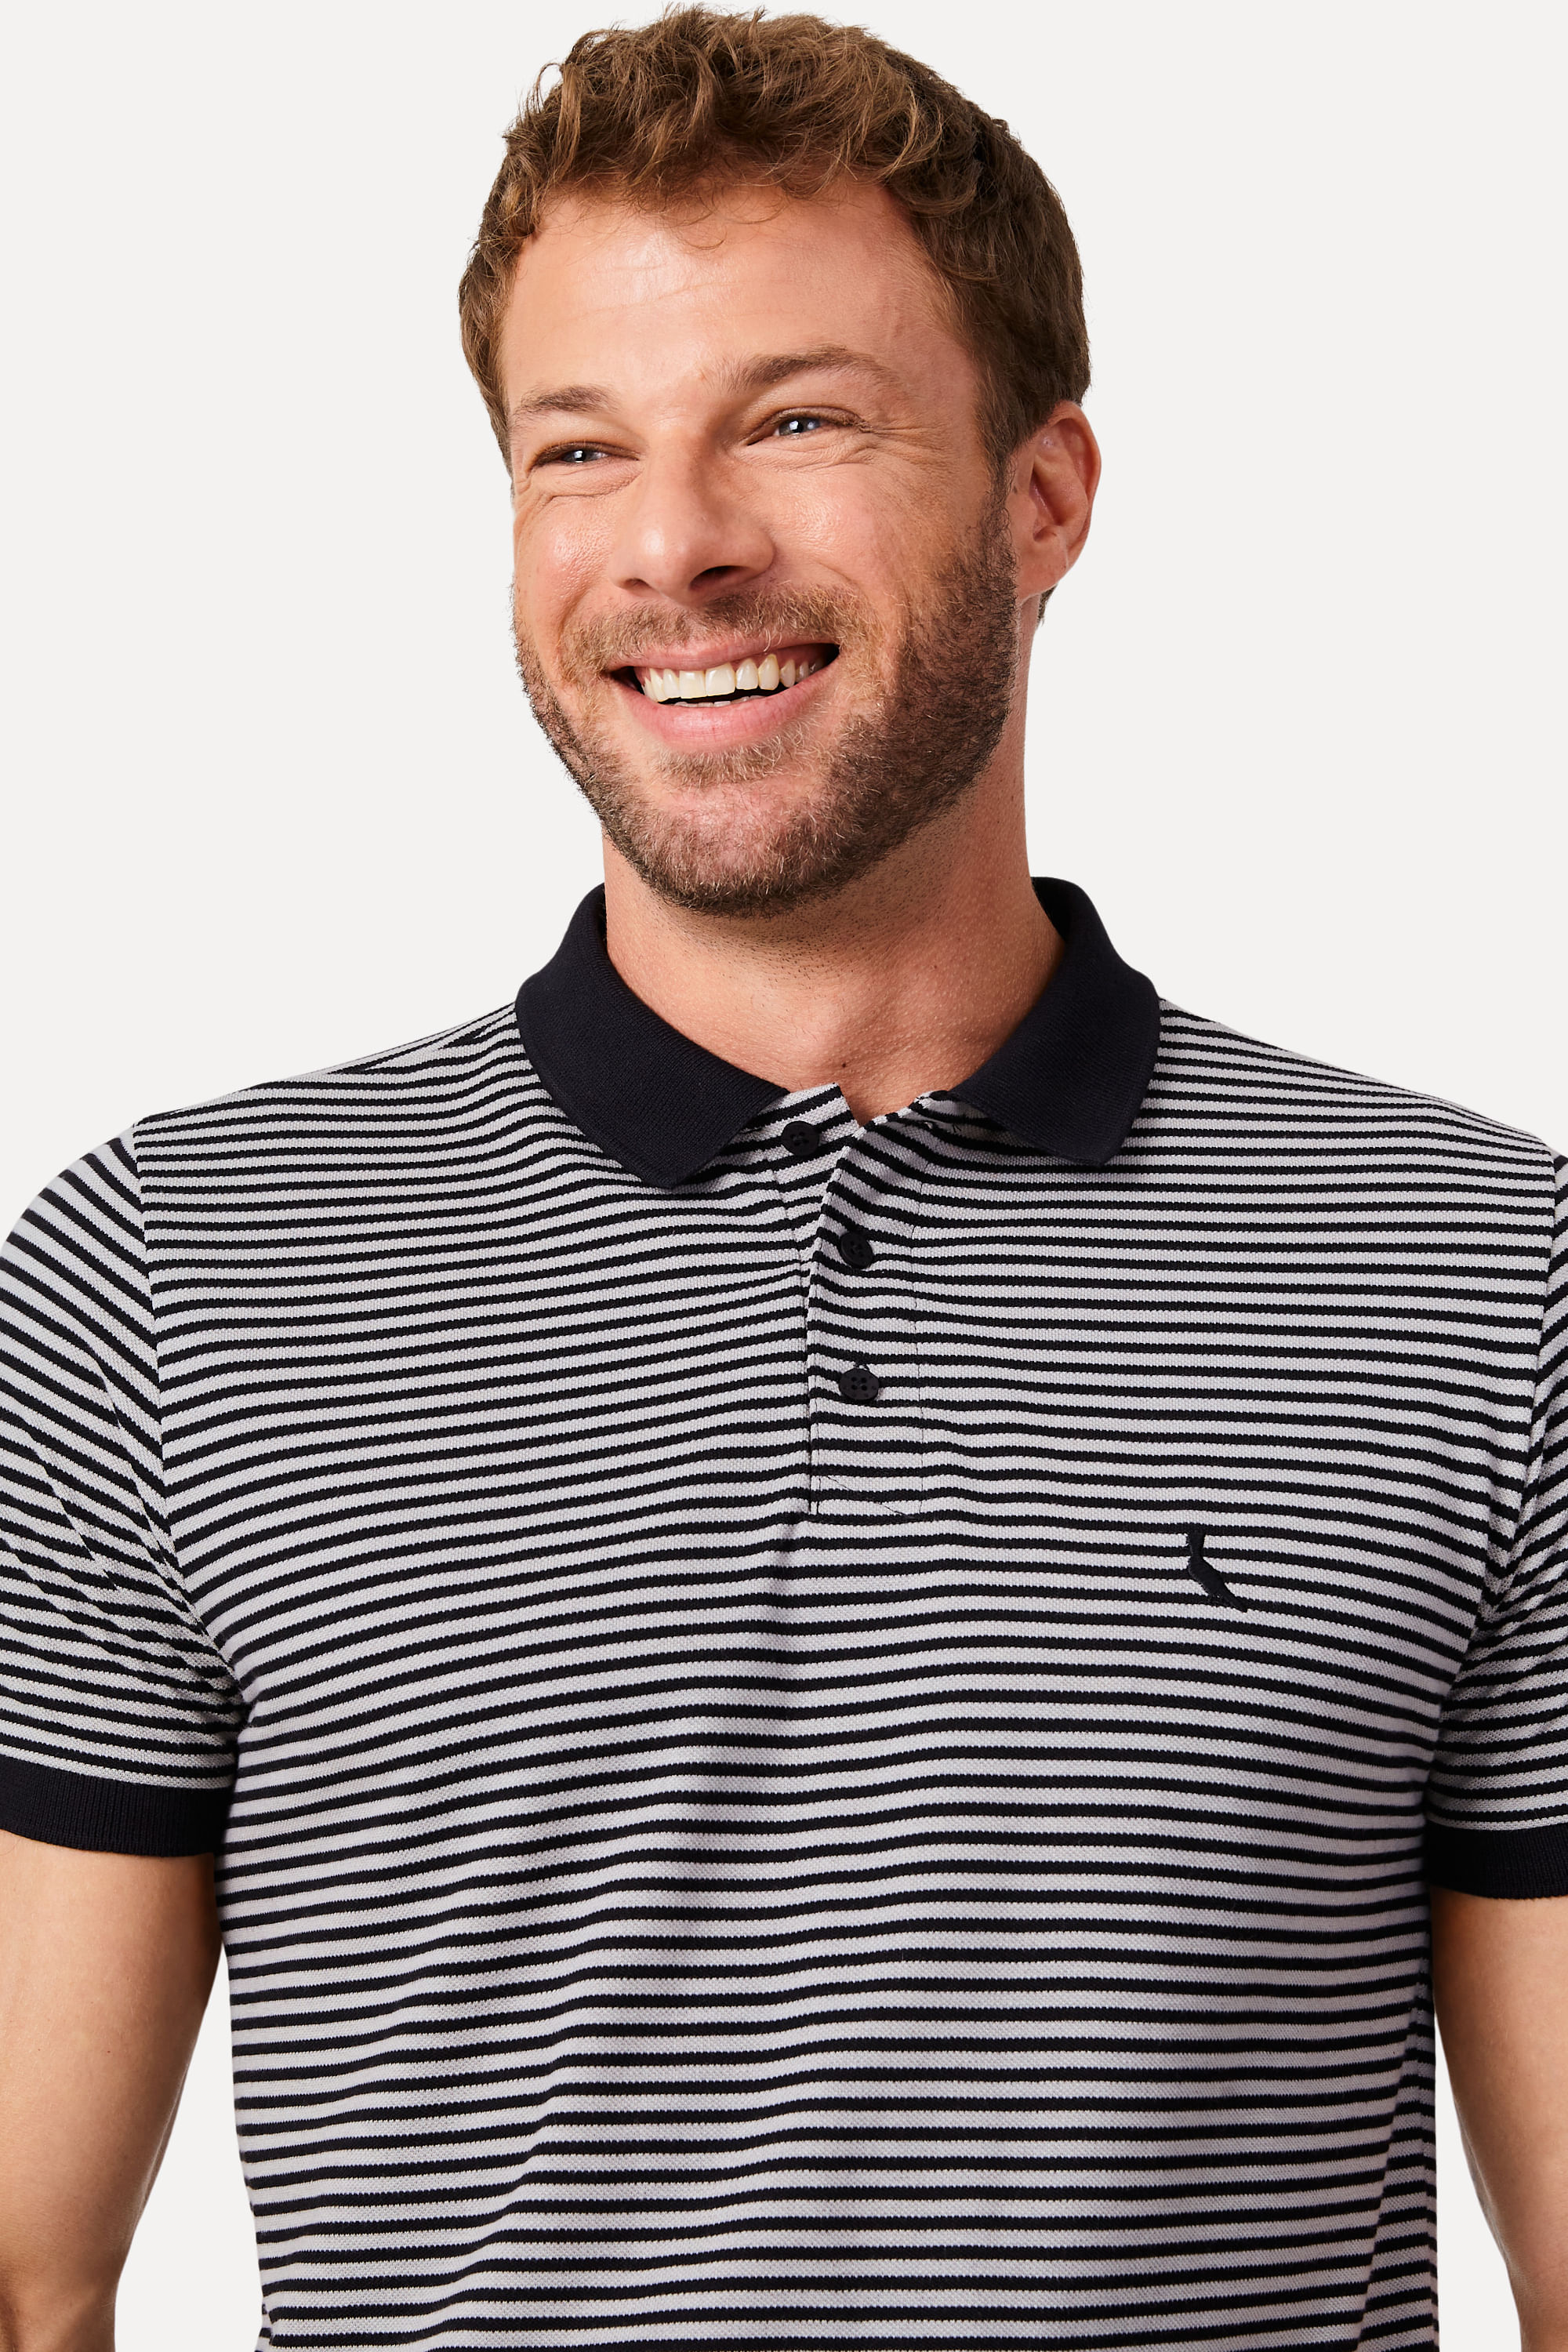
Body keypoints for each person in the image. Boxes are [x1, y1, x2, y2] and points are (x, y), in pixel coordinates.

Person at [1, 9, 1564, 2347]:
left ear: (1046, 498)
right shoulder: (167, 1273)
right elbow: (25, 2270)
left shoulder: (1478, 1273)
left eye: (798, 421)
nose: (676, 545)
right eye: (580, 448)